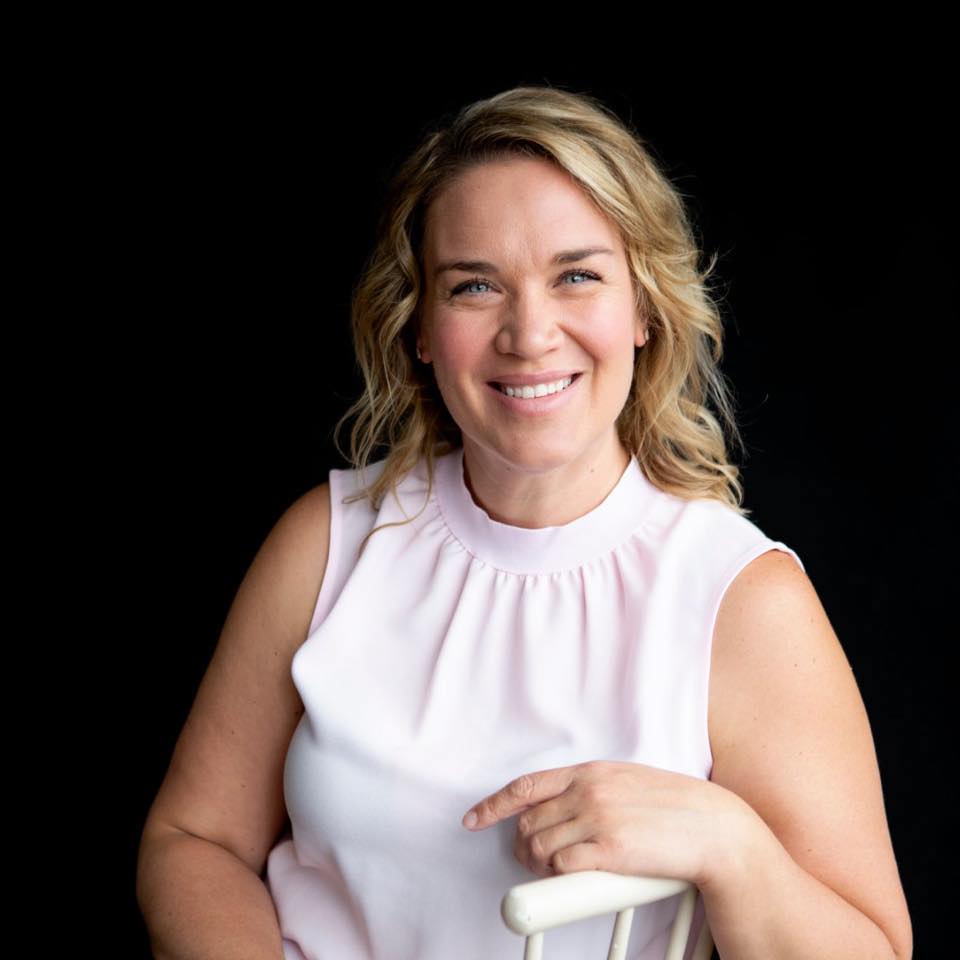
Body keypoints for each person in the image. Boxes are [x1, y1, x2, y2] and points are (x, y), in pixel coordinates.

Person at [136, 86, 912, 960]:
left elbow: (876, 949)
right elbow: (193, 839)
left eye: (577, 275)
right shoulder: (330, 541)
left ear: (644, 309)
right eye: (474, 286)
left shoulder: (739, 598)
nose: (530, 333)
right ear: (420, 326)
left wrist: (730, 845)